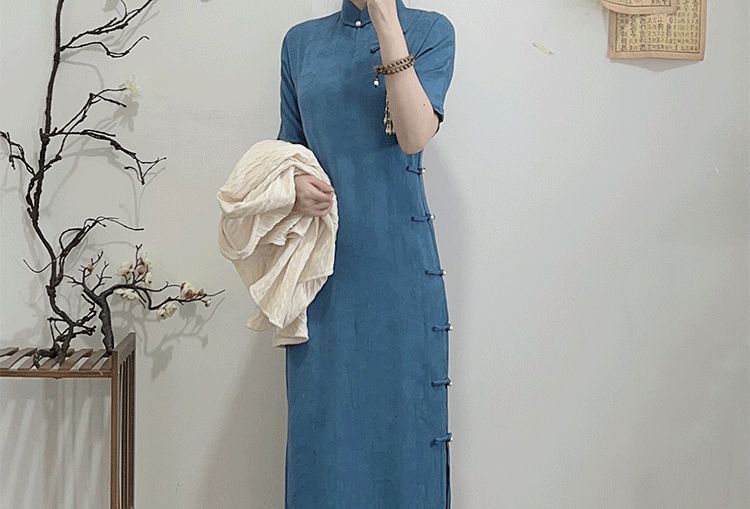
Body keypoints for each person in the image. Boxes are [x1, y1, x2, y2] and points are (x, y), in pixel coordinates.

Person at [277, 0, 456, 506]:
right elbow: (288, 149)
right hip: (320, 273)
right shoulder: (300, 43)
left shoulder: (431, 31)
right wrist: (293, 185)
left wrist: (385, 18)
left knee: (403, 431)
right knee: (322, 433)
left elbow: (414, 135)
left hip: (399, 269)